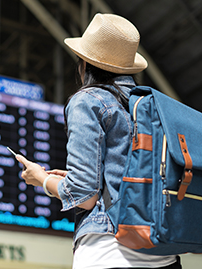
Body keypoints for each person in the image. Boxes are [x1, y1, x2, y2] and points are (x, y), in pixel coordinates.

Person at [16, 13, 182, 269]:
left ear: (85, 62)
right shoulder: (153, 105)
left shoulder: (89, 100)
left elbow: (85, 196)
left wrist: (42, 179)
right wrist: (72, 179)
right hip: (165, 255)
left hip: (108, 253)